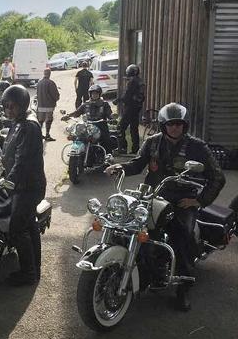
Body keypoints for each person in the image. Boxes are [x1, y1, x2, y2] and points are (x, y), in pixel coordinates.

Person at [105, 103, 225, 311]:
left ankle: (183, 287)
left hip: (182, 200)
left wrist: (199, 201)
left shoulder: (197, 147)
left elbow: (217, 177)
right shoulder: (152, 142)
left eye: (179, 124)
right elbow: (137, 164)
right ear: (163, 125)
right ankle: (138, 267)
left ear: (185, 125)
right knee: (127, 226)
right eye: (170, 124)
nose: (175, 127)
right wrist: (119, 167)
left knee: (183, 235)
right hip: (153, 196)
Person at [1, 84, 46, 286]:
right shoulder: (19, 122)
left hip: (28, 186)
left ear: (23, 104)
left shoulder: (29, 126)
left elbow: (23, 160)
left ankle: (28, 273)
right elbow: (12, 149)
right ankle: (35, 268)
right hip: (25, 184)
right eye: (6, 106)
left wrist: (8, 181)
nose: (9, 110)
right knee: (30, 225)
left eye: (13, 106)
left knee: (17, 229)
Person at [61, 85, 114, 153]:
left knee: (106, 139)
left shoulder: (104, 104)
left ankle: (108, 155)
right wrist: (68, 116)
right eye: (93, 93)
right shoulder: (86, 104)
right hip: (88, 126)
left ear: (99, 94)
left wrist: (111, 118)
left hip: (101, 125)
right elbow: (77, 112)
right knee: (78, 136)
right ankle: (78, 151)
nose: (94, 95)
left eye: (96, 93)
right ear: (90, 94)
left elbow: (109, 113)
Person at [114, 64, 145, 154]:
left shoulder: (132, 81)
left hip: (130, 107)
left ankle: (123, 147)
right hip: (137, 108)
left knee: (120, 127)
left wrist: (118, 100)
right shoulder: (140, 81)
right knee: (134, 129)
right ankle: (136, 149)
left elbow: (127, 95)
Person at [36, 68, 60, 142]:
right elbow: (55, 94)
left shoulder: (39, 83)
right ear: (49, 74)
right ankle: (47, 135)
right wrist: (57, 98)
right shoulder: (51, 83)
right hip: (49, 105)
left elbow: (37, 94)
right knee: (49, 120)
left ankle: (39, 135)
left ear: (44, 73)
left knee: (40, 121)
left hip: (40, 105)